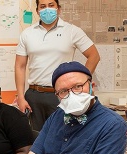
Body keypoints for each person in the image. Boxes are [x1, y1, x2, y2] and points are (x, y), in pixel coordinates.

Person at [15, 0, 101, 132]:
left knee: (63, 136)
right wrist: (20, 97)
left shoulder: (72, 31)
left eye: (51, 5)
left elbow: (94, 56)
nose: (47, 9)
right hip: (34, 95)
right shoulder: (27, 34)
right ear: (37, 10)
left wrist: (81, 83)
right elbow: (20, 66)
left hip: (62, 95)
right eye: (42, 6)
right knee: (35, 139)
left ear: (58, 9)